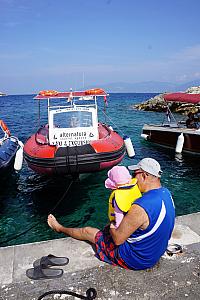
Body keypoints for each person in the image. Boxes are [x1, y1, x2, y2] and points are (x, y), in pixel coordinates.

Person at [47, 158, 175, 270]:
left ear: (144, 175)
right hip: (154, 253)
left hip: (136, 260)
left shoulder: (140, 206)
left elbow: (118, 240)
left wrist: (113, 226)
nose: (132, 178)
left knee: (88, 231)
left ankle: (59, 228)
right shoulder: (166, 193)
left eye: (134, 174)